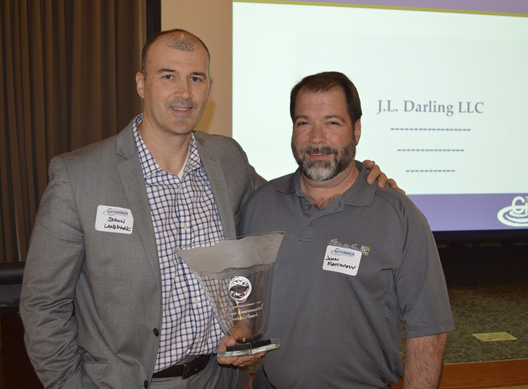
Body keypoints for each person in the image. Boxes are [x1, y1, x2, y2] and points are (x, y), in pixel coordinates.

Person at [19, 30, 395, 388]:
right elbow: (43, 304)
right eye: (168, 76)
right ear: (140, 83)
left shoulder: (228, 159)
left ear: (209, 89)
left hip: (220, 378)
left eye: (196, 78)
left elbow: (293, 200)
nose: (184, 93)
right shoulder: (79, 176)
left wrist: (357, 176)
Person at [219, 71, 455, 388]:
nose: (316, 139)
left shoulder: (398, 216)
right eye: (304, 123)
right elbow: (246, 300)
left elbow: (428, 328)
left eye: (332, 123)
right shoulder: (260, 205)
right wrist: (243, 332)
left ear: (356, 130)